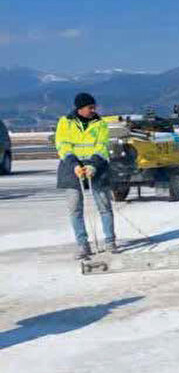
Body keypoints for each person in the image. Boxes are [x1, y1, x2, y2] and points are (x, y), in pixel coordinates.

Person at [55, 92, 117, 259]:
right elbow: (62, 146)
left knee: (104, 206)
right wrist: (75, 165)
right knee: (75, 209)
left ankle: (110, 242)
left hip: (96, 167)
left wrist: (93, 165)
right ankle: (83, 245)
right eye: (90, 107)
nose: (93, 110)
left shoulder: (100, 124)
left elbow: (102, 147)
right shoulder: (65, 122)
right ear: (80, 108)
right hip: (71, 168)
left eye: (93, 107)